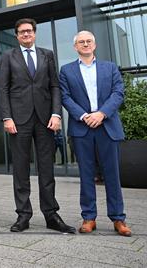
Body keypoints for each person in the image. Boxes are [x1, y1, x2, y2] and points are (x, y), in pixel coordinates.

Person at [0, 18, 75, 233]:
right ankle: (23, 215)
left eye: (29, 31)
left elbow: (55, 86)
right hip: (18, 120)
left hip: (45, 119)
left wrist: (56, 114)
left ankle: (51, 215)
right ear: (17, 35)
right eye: (22, 32)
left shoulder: (47, 55)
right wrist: (7, 117)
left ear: (34, 33)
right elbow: (3, 89)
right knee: (21, 170)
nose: (26, 35)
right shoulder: (7, 56)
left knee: (46, 169)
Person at [59, 30, 131, 236]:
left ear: (95, 44)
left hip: (107, 126)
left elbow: (118, 93)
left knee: (112, 175)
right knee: (86, 175)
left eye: (89, 41)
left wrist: (101, 114)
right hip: (82, 129)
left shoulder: (110, 67)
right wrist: (84, 116)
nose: (85, 44)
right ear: (75, 47)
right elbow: (65, 97)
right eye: (81, 42)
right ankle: (89, 217)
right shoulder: (66, 70)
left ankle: (118, 218)